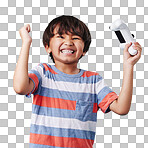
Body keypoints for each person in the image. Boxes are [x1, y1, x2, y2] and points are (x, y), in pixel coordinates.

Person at [13, 15, 142, 148]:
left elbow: (122, 108)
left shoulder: (93, 81)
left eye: (75, 38)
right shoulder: (42, 73)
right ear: (47, 47)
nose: (68, 42)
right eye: (61, 36)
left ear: (84, 50)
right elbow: (20, 87)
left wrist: (128, 66)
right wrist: (26, 43)